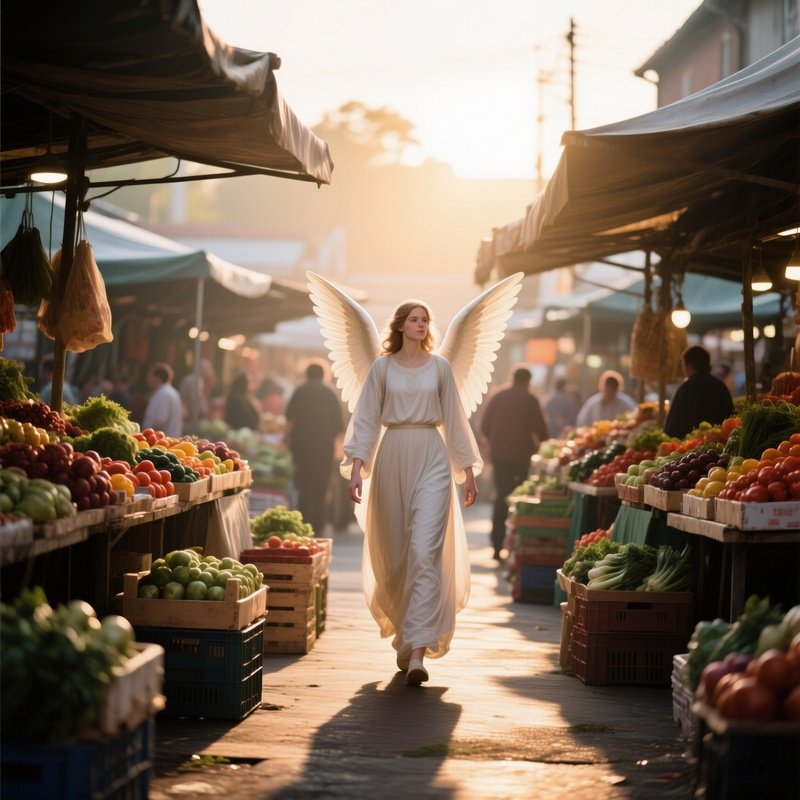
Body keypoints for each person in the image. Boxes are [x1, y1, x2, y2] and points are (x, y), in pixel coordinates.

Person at [342, 299, 481, 686]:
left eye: (425, 319)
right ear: (401, 326)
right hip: (391, 458)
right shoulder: (382, 367)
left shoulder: (441, 366)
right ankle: (407, 638)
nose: (421, 324)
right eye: (414, 319)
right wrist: (356, 469)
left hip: (433, 457)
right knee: (398, 556)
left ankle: (418, 652)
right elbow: (367, 419)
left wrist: (467, 471)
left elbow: (454, 419)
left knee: (424, 551)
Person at [480, 366, 548, 561]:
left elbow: (484, 426)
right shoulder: (530, 399)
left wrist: (494, 442)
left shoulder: (498, 396)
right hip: (520, 458)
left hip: (499, 456)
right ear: (528, 381)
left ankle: (496, 544)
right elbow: (542, 432)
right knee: (518, 499)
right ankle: (515, 548)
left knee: (501, 496)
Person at [285, 362, 344, 536]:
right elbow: (339, 424)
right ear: (323, 374)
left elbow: (289, 418)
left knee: (303, 484)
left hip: (301, 446)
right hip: (324, 447)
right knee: (321, 485)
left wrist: (286, 439)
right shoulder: (330, 393)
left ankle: (302, 522)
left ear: (307, 374)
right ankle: (318, 525)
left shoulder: (299, 391)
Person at [664, 345, 734, 439]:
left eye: (683, 365)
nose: (683, 369)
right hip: (720, 444)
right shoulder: (720, 385)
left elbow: (672, 427)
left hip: (689, 447)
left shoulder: (686, 387)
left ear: (689, 366)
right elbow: (731, 419)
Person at [142, 362, 183, 437]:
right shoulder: (172, 392)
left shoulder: (163, 394)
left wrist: (148, 438)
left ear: (156, 378)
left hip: (162, 443)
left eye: (149, 376)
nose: (147, 379)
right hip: (169, 440)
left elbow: (160, 422)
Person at [179, 358, 217, 429]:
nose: (209, 372)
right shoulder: (197, 381)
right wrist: (208, 415)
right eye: (207, 370)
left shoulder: (194, 379)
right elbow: (199, 403)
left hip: (187, 417)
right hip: (189, 419)